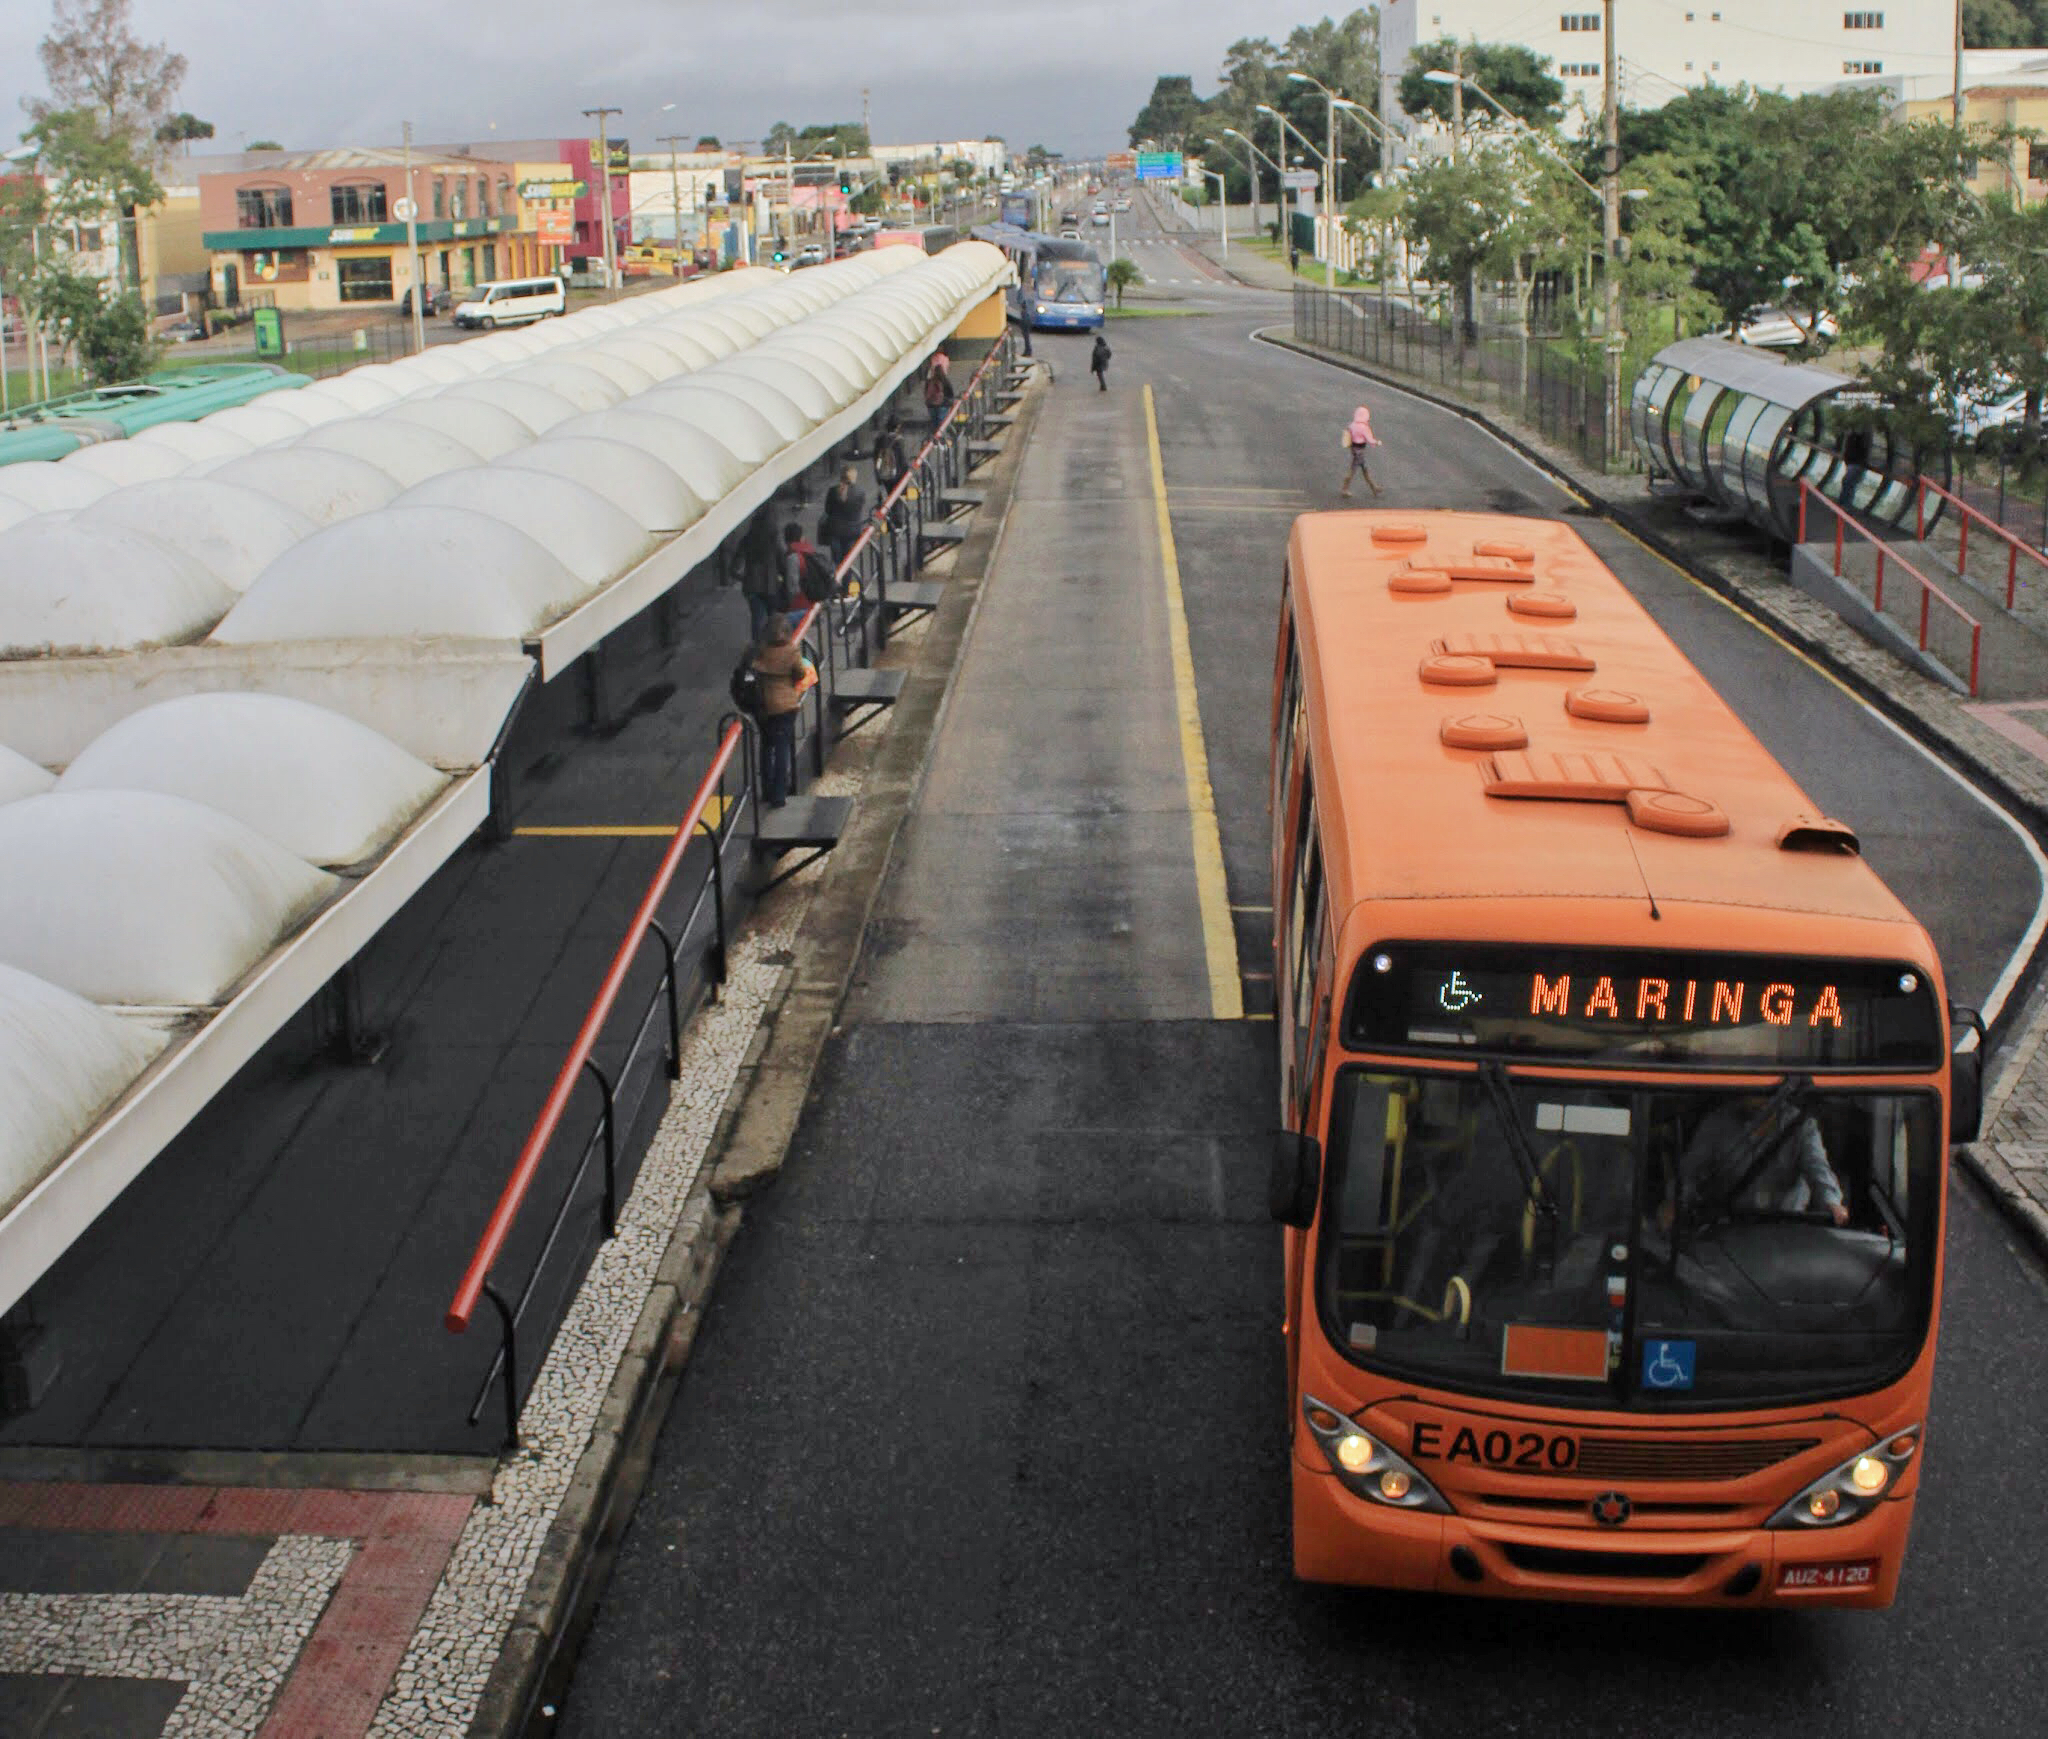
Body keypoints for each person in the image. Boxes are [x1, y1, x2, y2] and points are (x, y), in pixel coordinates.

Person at [1677, 1097, 1849, 1228]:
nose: (1755, 1097)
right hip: (1731, 1232)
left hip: (1787, 1233)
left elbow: (1818, 1169)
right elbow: (1689, 1173)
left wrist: (1832, 1204)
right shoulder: (1716, 1124)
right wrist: (1675, 1203)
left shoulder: (1801, 1126)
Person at [750, 613, 812, 810]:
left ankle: (766, 790)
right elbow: (800, 673)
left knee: (766, 747)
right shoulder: (791, 652)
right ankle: (779, 794)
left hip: (764, 707)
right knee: (783, 749)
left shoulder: (760, 652)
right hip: (785, 707)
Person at [739, 506, 787, 641]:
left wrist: (745, 578)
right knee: (774, 620)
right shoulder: (774, 538)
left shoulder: (747, 539)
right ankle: (773, 647)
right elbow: (783, 559)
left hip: (752, 586)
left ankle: (757, 650)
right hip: (771, 585)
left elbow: (735, 567)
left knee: (757, 619)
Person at [818, 464, 868, 572]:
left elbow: (827, 510)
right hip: (852, 531)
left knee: (836, 560)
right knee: (847, 561)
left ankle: (836, 583)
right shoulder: (860, 492)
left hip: (835, 531)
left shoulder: (832, 491)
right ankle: (847, 584)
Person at [1340, 403, 1382, 498]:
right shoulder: (1364, 427)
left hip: (1354, 449)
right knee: (1354, 470)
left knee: (1363, 469)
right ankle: (1345, 489)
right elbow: (1370, 439)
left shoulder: (1352, 425)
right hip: (1360, 451)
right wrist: (1377, 442)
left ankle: (1374, 487)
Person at [922, 347, 954, 428]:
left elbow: (926, 392)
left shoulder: (930, 381)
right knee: (941, 422)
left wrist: (927, 401)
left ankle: (934, 434)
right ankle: (940, 435)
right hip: (942, 404)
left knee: (934, 421)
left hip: (931, 405)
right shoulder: (945, 381)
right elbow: (950, 392)